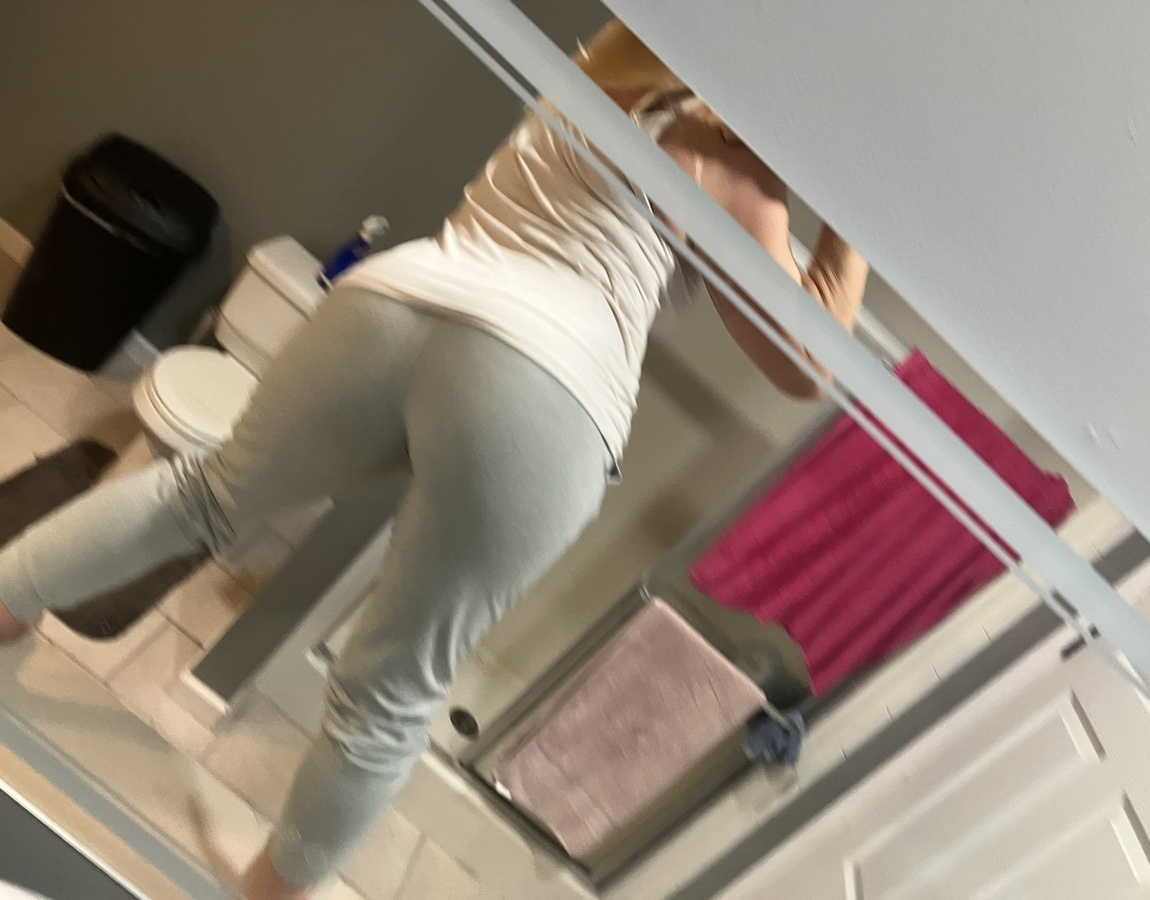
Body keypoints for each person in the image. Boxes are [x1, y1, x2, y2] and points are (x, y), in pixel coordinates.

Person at [0, 21, 867, 900]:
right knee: (389, 691)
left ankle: (6, 601)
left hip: (402, 302)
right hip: (547, 390)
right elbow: (807, 368)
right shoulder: (738, 173)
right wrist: (866, 214)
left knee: (199, 497)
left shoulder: (623, 57)